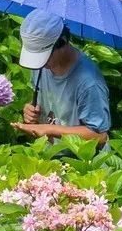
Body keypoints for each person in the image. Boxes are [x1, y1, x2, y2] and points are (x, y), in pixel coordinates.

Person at [10, 9, 111, 146]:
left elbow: (100, 136)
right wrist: (31, 111)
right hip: (50, 155)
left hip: (83, 160)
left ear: (63, 42)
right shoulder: (42, 67)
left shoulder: (89, 82)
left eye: (44, 56)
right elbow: (46, 103)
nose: (42, 64)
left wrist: (50, 129)